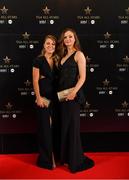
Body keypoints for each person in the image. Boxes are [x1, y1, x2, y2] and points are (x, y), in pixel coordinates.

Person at [57, 28, 94, 173]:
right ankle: (66, 158)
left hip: (73, 97)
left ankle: (75, 160)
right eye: (65, 37)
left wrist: (73, 93)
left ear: (75, 39)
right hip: (62, 97)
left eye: (70, 37)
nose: (67, 39)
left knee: (72, 129)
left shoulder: (79, 54)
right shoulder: (62, 55)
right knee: (65, 127)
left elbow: (83, 77)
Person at [32, 34, 59, 170]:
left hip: (56, 100)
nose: (50, 46)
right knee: (46, 130)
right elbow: (36, 80)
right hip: (43, 100)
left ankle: (56, 156)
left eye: (53, 44)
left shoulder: (57, 60)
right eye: (48, 43)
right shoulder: (38, 60)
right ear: (44, 45)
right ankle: (47, 160)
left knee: (54, 130)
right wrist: (38, 98)